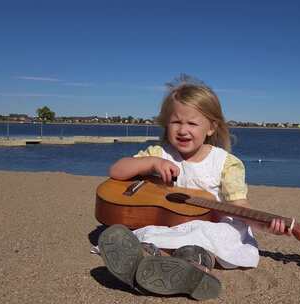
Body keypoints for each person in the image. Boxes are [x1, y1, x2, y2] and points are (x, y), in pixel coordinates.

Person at [98, 75, 289, 300]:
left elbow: (240, 206)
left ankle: (191, 269)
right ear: (166, 123)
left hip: (212, 224)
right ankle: (149, 258)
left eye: (192, 123)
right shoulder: (160, 153)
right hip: (168, 224)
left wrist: (265, 225)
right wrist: (151, 163)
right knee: (153, 232)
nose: (183, 130)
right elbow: (117, 170)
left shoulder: (226, 163)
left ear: (211, 128)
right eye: (176, 122)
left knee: (209, 236)